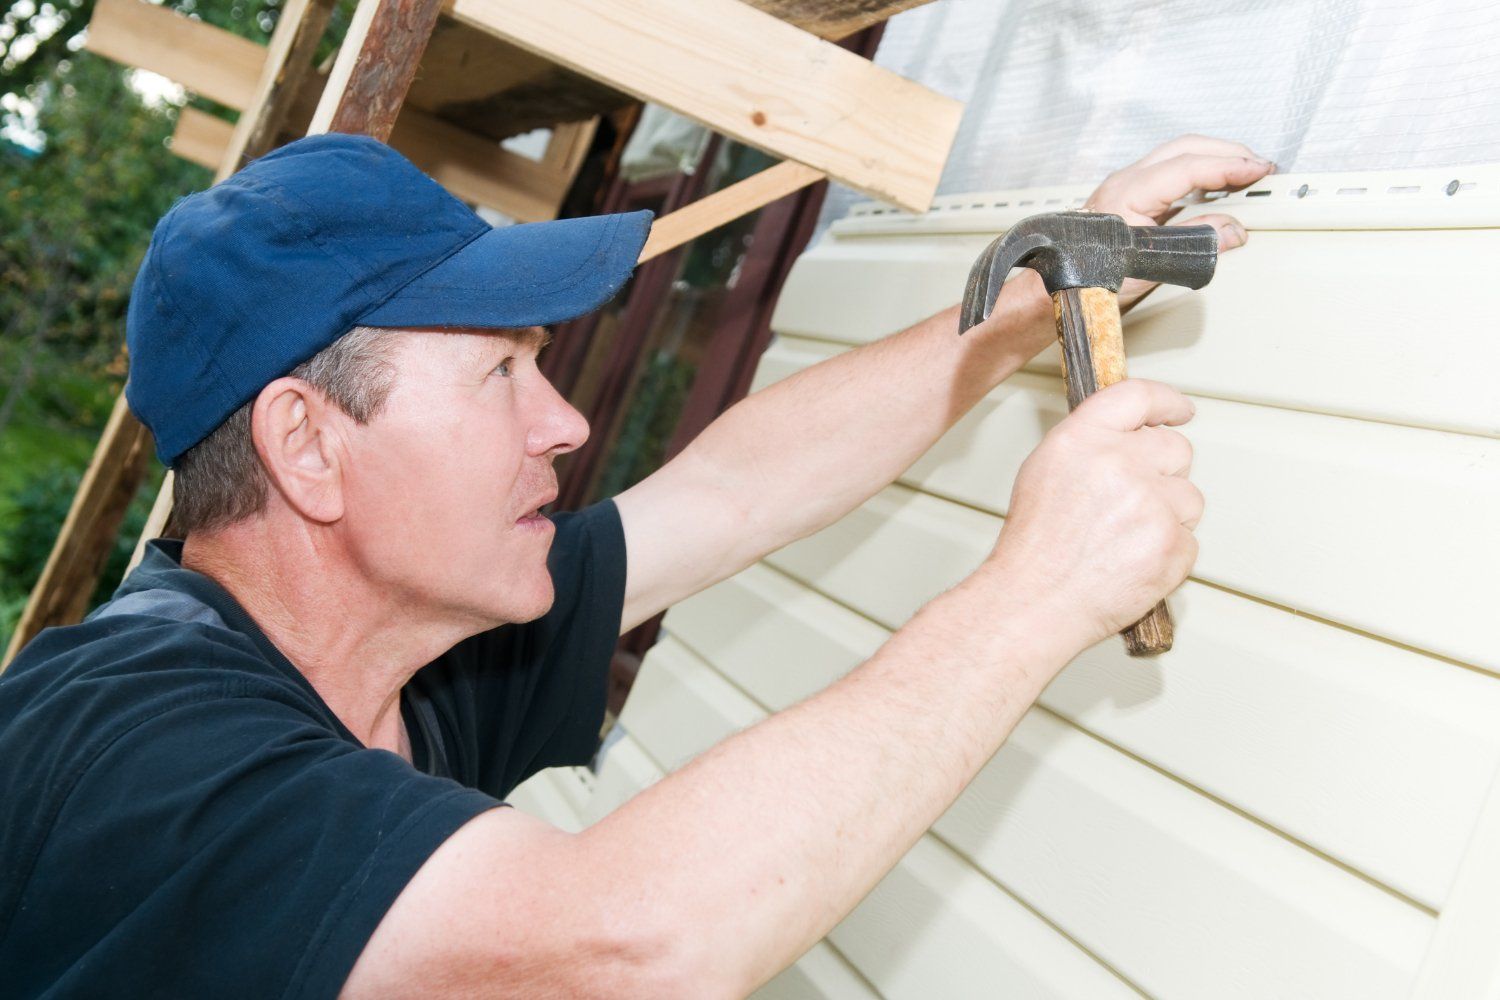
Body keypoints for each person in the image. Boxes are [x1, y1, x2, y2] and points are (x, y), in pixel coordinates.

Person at [0, 131, 1270, 998]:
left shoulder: (399, 655)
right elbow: (617, 950)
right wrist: (1036, 592)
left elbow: (728, 491)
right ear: (307, 448)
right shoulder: (134, 738)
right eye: (501, 373)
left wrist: (1014, 310)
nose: (562, 422)